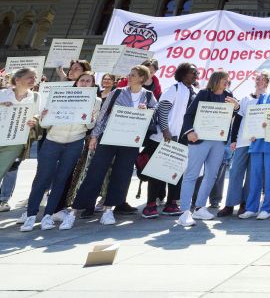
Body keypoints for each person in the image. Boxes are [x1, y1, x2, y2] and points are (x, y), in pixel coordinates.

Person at [65, 65, 157, 229]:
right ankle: (75, 210)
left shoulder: (149, 96)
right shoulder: (118, 92)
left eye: (133, 75)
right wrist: (94, 135)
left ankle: (109, 209)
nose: (129, 76)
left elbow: (154, 117)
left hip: (130, 141)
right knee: (95, 172)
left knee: (122, 175)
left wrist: (147, 111)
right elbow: (103, 115)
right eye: (130, 73)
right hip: (109, 137)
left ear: (142, 78)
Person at [21, 73, 97, 231]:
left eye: (88, 81)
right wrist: (44, 117)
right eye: (81, 80)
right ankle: (31, 215)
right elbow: (44, 123)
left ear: (93, 84)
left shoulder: (96, 101)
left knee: (61, 180)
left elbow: (90, 126)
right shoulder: (61, 95)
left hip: (75, 143)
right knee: (42, 179)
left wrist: (89, 117)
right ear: (76, 83)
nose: (84, 83)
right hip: (52, 141)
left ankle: (48, 215)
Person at [176, 70, 239, 227]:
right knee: (192, 174)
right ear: (216, 80)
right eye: (225, 80)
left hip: (218, 141)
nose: (227, 83)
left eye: (228, 81)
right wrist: (189, 131)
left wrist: (236, 107)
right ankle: (184, 211)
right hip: (200, 139)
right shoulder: (204, 93)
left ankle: (199, 207)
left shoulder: (228, 94)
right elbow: (189, 114)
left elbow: (235, 112)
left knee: (212, 175)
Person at [141, 62, 198, 219]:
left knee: (175, 172)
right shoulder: (173, 89)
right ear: (182, 73)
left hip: (182, 138)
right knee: (158, 172)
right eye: (192, 72)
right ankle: (150, 205)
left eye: (197, 73)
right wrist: (165, 129)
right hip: (165, 137)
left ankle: (172, 204)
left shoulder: (194, 91)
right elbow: (162, 110)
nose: (195, 74)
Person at [240, 70, 270, 220]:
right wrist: (252, 132)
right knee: (254, 175)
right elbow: (255, 116)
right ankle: (251, 208)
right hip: (257, 141)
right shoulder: (263, 97)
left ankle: (266, 208)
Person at [218, 72, 269, 218]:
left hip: (259, 142)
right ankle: (229, 204)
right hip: (242, 141)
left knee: (253, 175)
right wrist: (233, 139)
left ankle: (245, 204)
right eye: (257, 79)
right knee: (235, 172)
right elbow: (238, 120)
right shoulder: (246, 99)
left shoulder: (269, 99)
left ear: (266, 83)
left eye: (262, 79)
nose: (259, 81)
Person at [0, 68, 39, 181]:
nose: (34, 80)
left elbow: (37, 116)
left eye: (35, 77)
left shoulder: (36, 97)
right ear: (17, 79)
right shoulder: (2, 94)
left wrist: (34, 121)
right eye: (30, 77)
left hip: (14, 143)